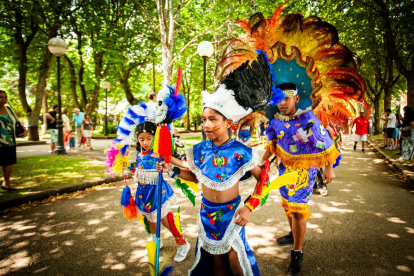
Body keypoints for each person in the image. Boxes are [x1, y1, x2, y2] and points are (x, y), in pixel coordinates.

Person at [0, 90, 28, 191]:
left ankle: (6, 183)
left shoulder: (9, 109)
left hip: (10, 141)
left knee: (8, 162)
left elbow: (17, 121)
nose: (3, 99)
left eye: (5, 97)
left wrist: (25, 130)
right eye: (1, 97)